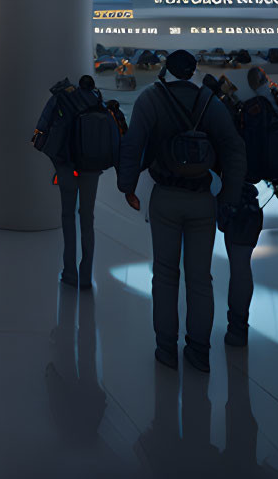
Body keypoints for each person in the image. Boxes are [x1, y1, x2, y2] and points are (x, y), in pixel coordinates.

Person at [117, 48, 246, 371]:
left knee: (164, 275)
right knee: (201, 278)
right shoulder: (210, 102)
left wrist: (127, 187)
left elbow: (133, 144)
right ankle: (199, 350)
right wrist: (228, 197)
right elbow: (233, 149)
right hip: (203, 199)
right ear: (192, 71)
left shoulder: (150, 99)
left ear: (166, 70)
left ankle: (165, 349)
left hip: (165, 198)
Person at [217, 65, 278, 348]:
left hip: (226, 190)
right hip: (252, 196)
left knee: (202, 267)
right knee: (241, 266)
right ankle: (238, 328)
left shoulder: (229, 108)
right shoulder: (269, 105)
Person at [32, 73, 105, 289]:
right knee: (87, 219)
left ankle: (69, 272)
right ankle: (86, 276)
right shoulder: (96, 98)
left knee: (67, 216)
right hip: (91, 168)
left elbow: (42, 126)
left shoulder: (60, 97)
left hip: (66, 165)